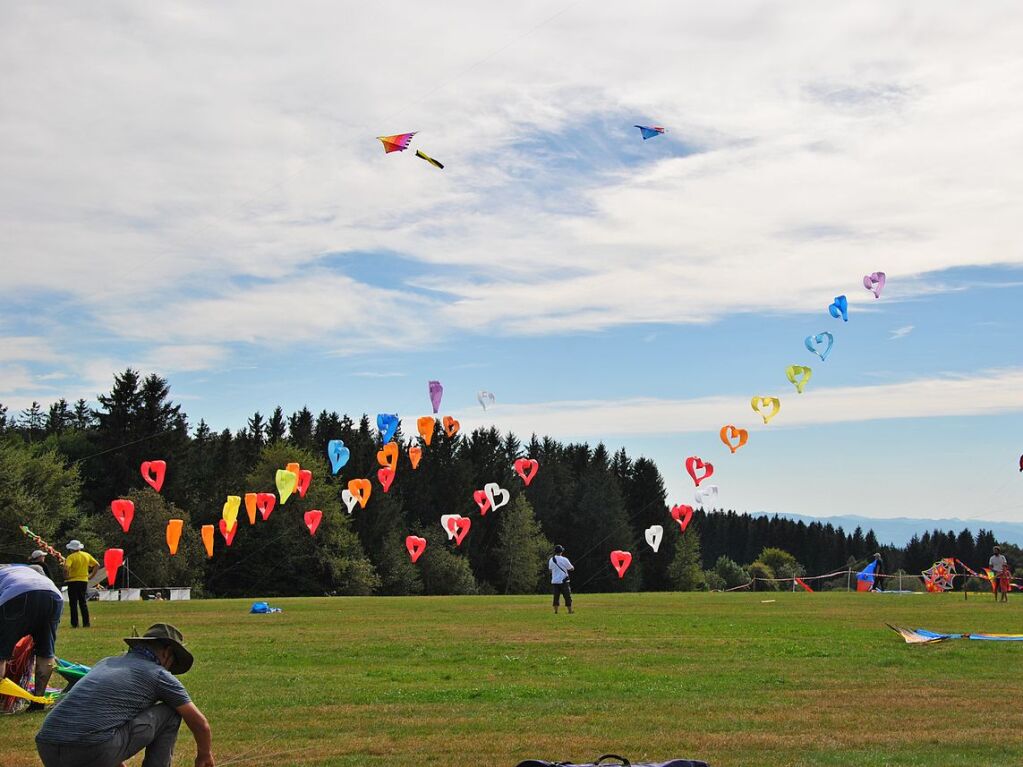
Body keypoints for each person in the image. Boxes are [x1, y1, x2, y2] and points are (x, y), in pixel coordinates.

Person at [36, 623, 215, 767]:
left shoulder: (106, 662)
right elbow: (200, 724)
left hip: (47, 746)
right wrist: (204, 756)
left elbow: (102, 716)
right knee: (171, 712)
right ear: (167, 652)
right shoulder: (158, 675)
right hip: (91, 749)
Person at [0, 563, 63, 711]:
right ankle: (38, 701)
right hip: (53, 595)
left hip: (17, 595)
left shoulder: (5, 574)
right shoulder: (24, 571)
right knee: (45, 651)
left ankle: (1, 699)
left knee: (1, 652)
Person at [63, 540, 98, 628]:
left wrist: (66, 576)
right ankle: (86, 623)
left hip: (73, 581)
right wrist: (91, 576)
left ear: (71, 549)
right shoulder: (86, 555)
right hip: (83, 581)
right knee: (83, 602)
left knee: (73, 603)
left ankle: (75, 624)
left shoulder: (70, 557)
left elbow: (66, 568)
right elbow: (97, 565)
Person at [548, 545, 574, 615]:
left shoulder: (551, 559)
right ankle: (570, 611)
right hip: (564, 581)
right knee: (567, 596)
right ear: (561, 551)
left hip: (555, 581)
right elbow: (571, 568)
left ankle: (556, 611)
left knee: (556, 597)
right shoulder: (564, 559)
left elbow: (550, 570)